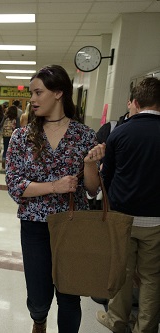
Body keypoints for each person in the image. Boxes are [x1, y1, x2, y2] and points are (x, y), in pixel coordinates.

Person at [5, 65, 104, 333]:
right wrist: (54, 186)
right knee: (38, 297)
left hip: (72, 224)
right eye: (32, 94)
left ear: (59, 93)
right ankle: (39, 319)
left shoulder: (84, 135)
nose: (33, 100)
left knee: (69, 295)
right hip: (35, 225)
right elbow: (15, 185)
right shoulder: (22, 136)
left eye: (39, 92)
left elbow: (92, 190)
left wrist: (91, 165)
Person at [96, 77, 160, 333]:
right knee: (152, 278)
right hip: (157, 220)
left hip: (122, 217)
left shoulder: (120, 132)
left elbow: (106, 176)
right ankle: (145, 327)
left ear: (134, 102)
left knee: (121, 273)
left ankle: (117, 320)